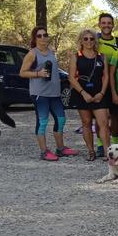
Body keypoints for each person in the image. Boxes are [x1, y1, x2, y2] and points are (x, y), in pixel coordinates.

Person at [19, 26, 77, 161]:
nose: (43, 38)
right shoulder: (32, 53)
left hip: (54, 94)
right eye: (39, 36)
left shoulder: (50, 52)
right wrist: (38, 73)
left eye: (45, 35)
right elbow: (22, 72)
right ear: (35, 38)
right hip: (40, 94)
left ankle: (60, 148)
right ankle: (44, 151)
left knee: (61, 119)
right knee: (43, 122)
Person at [69, 29, 111, 161]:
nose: (88, 41)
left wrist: (102, 92)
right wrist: (83, 93)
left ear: (95, 41)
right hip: (82, 94)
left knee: (103, 123)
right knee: (86, 123)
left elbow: (106, 77)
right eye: (85, 39)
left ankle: (107, 152)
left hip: (99, 93)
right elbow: (71, 77)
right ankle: (91, 151)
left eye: (91, 38)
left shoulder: (102, 56)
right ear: (81, 40)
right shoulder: (76, 56)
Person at [96, 13, 118, 149]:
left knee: (115, 115)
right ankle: (101, 144)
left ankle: (114, 143)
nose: (106, 25)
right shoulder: (93, 40)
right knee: (99, 116)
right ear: (99, 24)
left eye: (109, 23)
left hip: (115, 82)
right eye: (104, 23)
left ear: (113, 25)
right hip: (98, 83)